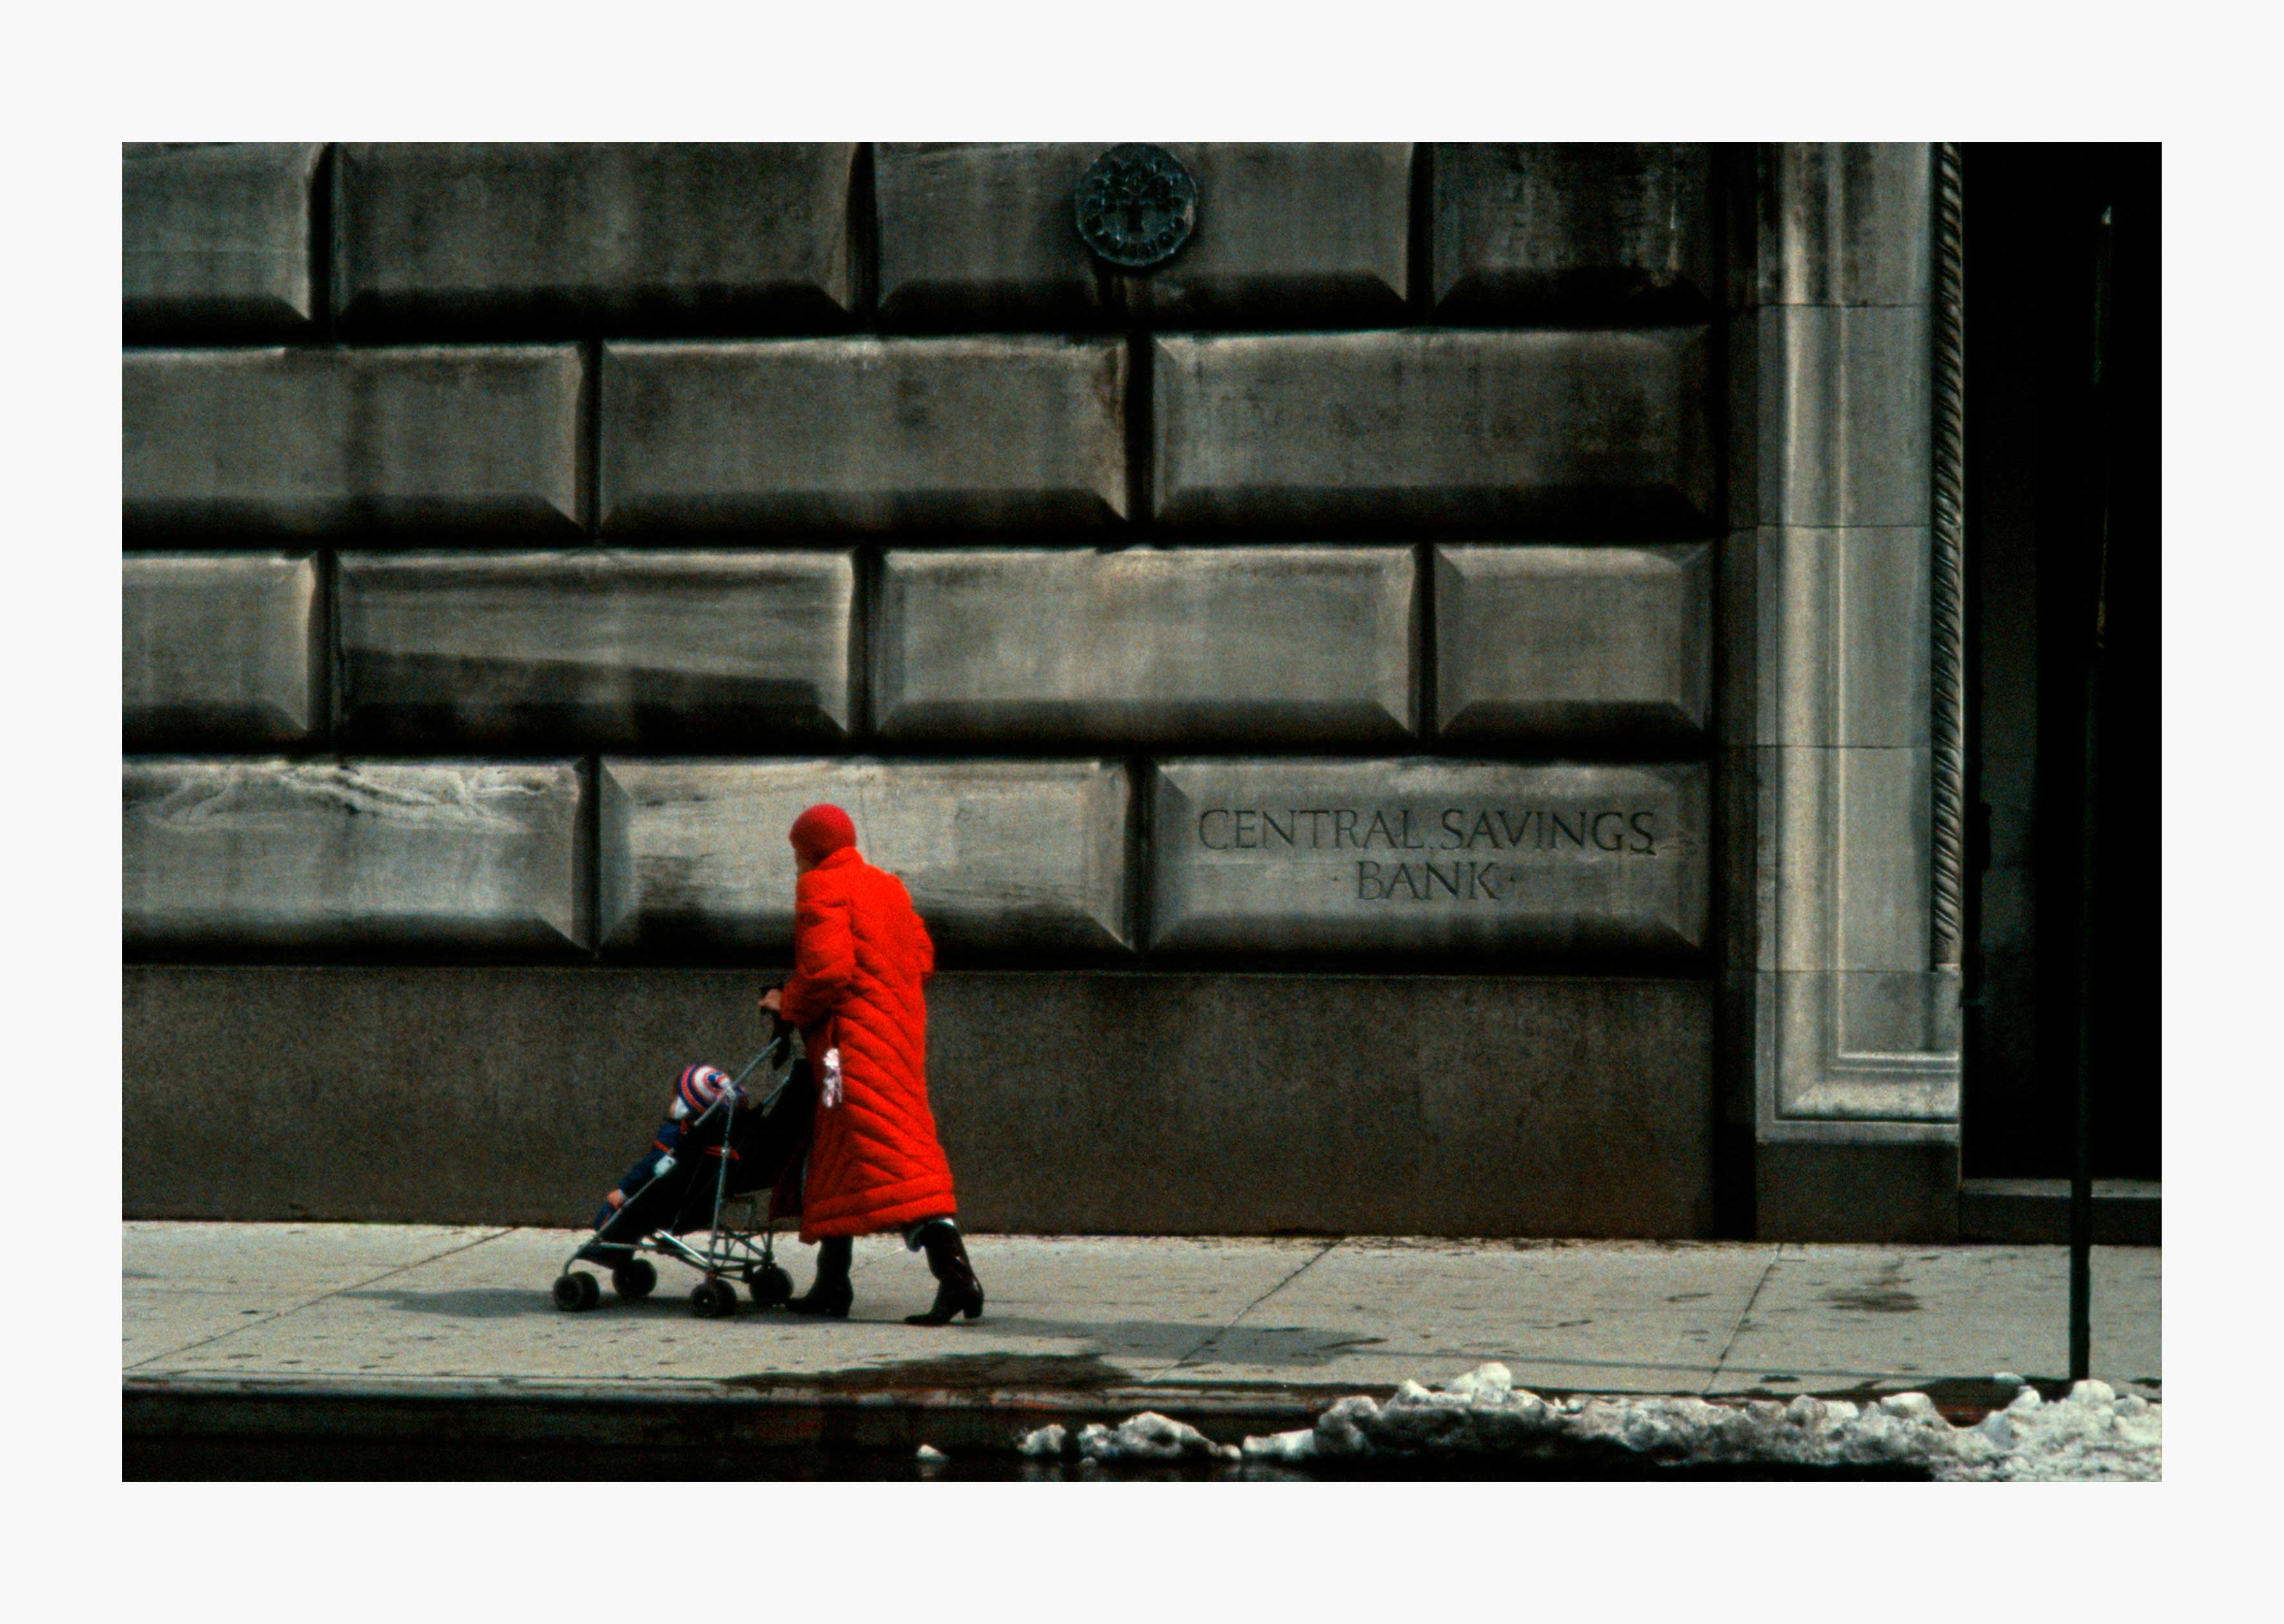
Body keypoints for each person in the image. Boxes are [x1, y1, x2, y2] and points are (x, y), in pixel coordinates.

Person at [759, 803, 984, 1326]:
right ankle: (831, 1283)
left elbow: (827, 970)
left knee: (891, 1157)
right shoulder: (887, 886)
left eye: (797, 853)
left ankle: (955, 1276)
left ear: (810, 850)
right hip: (897, 1041)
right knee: (837, 1152)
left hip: (846, 1052)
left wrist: (786, 1002)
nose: (796, 863)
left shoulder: (820, 886)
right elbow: (922, 955)